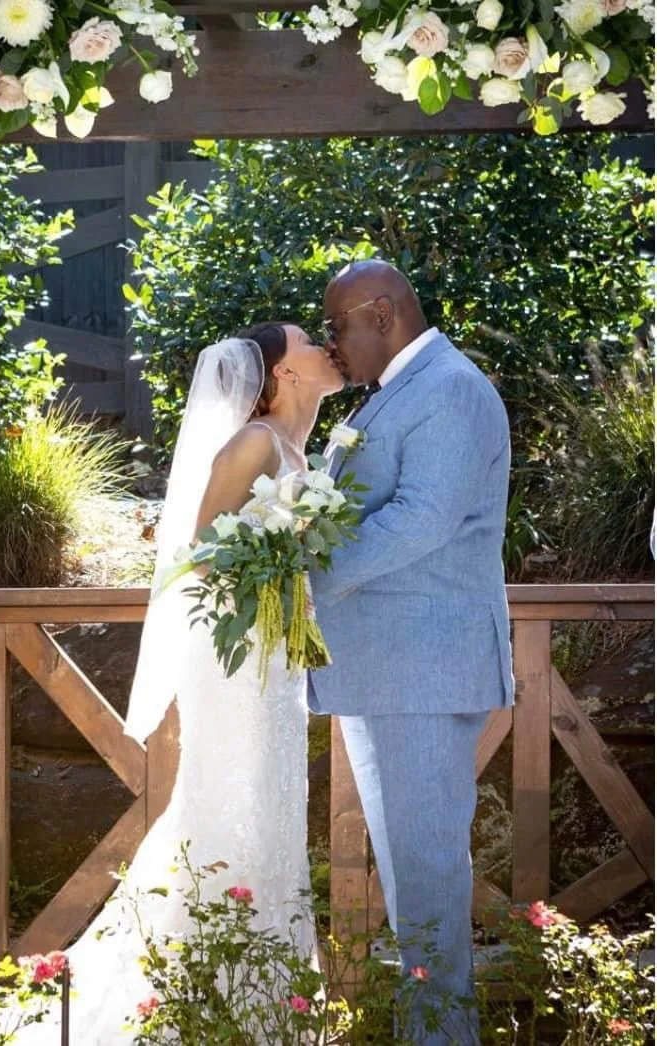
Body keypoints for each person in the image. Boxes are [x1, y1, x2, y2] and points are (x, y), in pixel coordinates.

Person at [16, 323, 344, 1042]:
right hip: (235, 667)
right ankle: (202, 995)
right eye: (310, 344)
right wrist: (277, 574)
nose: (328, 350)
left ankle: (266, 997)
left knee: (274, 808)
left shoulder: (299, 451)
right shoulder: (253, 445)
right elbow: (199, 554)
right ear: (282, 374)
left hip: (276, 663)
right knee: (231, 803)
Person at [310, 259, 514, 1045]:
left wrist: (300, 569)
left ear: (382, 311)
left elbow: (420, 522)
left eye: (338, 327)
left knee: (427, 891)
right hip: (386, 673)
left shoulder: (450, 389)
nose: (334, 345)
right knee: (411, 894)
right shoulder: (404, 390)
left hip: (420, 675)